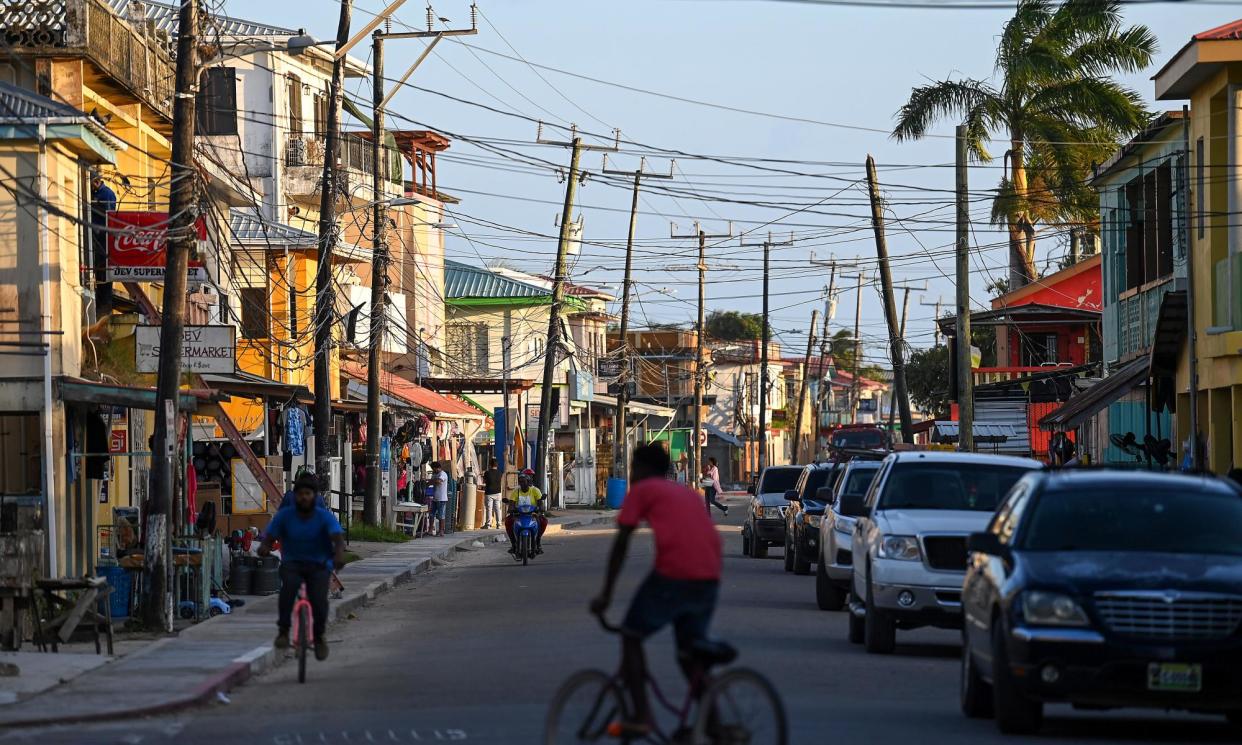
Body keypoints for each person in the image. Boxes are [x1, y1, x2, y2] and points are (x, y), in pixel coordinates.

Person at [590, 443, 723, 736]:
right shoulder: (685, 492)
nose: (632, 474)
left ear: (644, 470)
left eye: (634, 467)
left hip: (676, 574)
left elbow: (622, 543)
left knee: (631, 634)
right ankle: (717, 727)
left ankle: (641, 715)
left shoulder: (643, 490)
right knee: (689, 656)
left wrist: (606, 594)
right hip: (709, 575)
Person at [258, 473, 344, 661]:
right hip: (293, 564)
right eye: (300, 494)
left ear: (314, 496)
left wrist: (338, 555)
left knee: (320, 601)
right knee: (287, 591)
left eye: (308, 493)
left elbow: (337, 538)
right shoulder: (286, 515)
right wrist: (265, 546)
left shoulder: (322, 516)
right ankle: (283, 630)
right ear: (294, 496)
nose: (304, 497)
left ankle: (319, 636)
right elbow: (271, 534)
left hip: (319, 565)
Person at [504, 468, 547, 553]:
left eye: (524, 481)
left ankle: (538, 542)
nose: (522, 484)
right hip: (519, 515)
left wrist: (540, 509)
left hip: (532, 515)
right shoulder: (516, 491)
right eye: (520, 482)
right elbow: (512, 503)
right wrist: (511, 509)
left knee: (543, 521)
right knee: (508, 522)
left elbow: (540, 503)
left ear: (528, 481)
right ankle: (513, 544)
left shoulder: (535, 490)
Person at [481, 462, 504, 529]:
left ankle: (488, 525)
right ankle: (499, 524)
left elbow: (484, 481)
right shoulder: (500, 473)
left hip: (489, 492)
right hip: (498, 492)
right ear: (497, 465)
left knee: (489, 509)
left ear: (490, 465)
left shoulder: (487, 473)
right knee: (497, 509)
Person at [430, 461, 450, 536]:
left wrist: (432, 481)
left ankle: (441, 531)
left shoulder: (443, 474)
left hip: (442, 499)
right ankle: (430, 530)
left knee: (441, 515)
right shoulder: (434, 474)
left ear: (437, 468)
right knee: (432, 514)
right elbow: (430, 482)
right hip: (435, 498)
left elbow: (439, 481)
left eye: (434, 469)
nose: (433, 470)